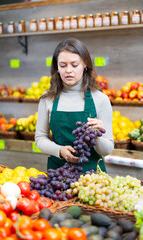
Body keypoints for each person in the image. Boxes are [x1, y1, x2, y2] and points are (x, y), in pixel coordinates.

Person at [35, 38, 114, 173]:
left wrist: (97, 137)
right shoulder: (47, 98)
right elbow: (40, 138)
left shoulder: (100, 99)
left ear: (85, 65)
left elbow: (107, 150)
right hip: (59, 176)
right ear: (57, 67)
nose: (68, 70)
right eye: (63, 65)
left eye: (74, 65)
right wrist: (58, 150)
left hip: (92, 177)